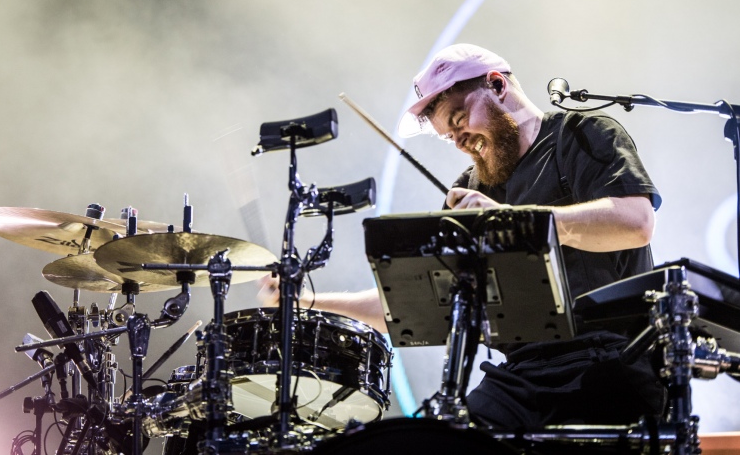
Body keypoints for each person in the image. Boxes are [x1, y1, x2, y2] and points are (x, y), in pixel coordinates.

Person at [258, 43, 665, 429]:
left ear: (497, 86)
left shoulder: (581, 135)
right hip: (524, 377)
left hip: (612, 359)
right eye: (449, 136)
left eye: (458, 121)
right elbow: (408, 302)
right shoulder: (472, 189)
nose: (459, 141)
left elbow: (635, 224)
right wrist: (307, 299)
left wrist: (511, 222)